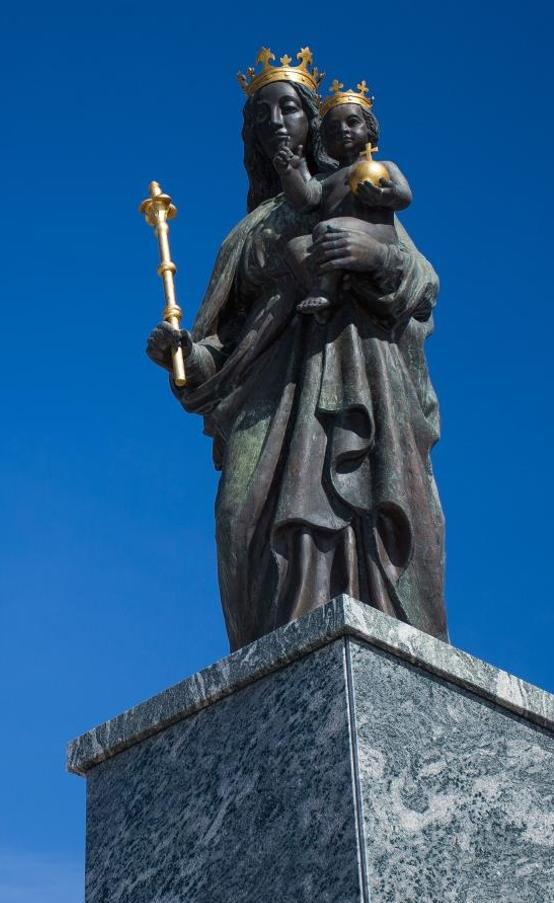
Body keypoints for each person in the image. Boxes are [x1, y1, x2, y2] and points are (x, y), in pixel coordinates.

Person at [145, 47, 447, 650]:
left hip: (357, 373)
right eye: (262, 115)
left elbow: (421, 283)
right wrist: (186, 355)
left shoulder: (353, 188)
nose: (276, 122)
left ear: (314, 119)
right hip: (269, 391)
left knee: (358, 506)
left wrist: (376, 255)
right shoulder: (248, 233)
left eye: (288, 109)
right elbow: (224, 341)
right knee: (240, 518)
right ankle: (275, 664)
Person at [277, 80, 412, 318]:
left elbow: (405, 197)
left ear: (369, 129)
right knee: (294, 247)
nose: (343, 130)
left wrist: (385, 195)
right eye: (333, 128)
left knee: (327, 228)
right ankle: (323, 295)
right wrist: (289, 173)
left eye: (352, 122)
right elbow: (305, 200)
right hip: (332, 232)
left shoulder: (384, 166)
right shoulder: (326, 180)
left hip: (377, 233)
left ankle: (326, 290)